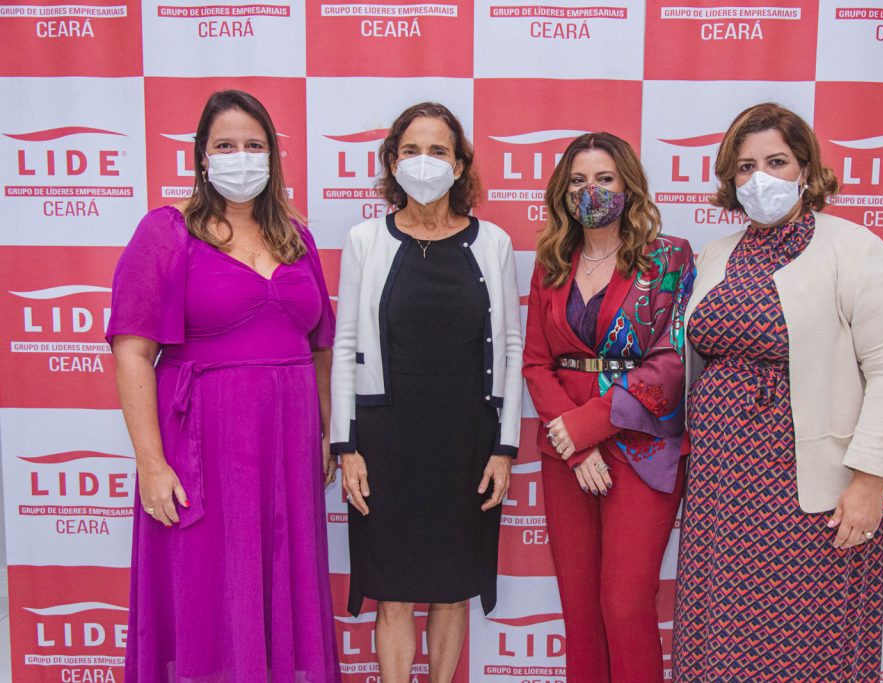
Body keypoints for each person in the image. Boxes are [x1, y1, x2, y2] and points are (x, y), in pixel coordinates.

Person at [672, 102, 883, 682]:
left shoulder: (855, 250)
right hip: (722, 491)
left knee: (810, 641)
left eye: (776, 162)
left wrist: (869, 481)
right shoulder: (718, 254)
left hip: (809, 490)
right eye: (744, 167)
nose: (759, 178)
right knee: (722, 632)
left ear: (806, 169)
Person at [108, 90, 339, 682]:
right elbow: (133, 351)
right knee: (208, 592)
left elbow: (319, 348)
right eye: (227, 145)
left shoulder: (297, 238)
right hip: (202, 445)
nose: (242, 157)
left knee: (278, 582)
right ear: (202, 158)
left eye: (255, 145)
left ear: (273, 158)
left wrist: (322, 431)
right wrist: (151, 463)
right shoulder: (168, 233)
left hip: (287, 446)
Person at [330, 102, 522, 683]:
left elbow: (511, 348)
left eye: (438, 151)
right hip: (385, 439)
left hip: (467, 441)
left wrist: (505, 448)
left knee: (450, 590)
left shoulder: (493, 242)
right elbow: (343, 347)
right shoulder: (365, 240)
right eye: (411, 150)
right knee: (391, 592)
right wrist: (346, 446)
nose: (424, 162)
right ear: (392, 162)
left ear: (460, 164)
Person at [523, 132, 695, 683]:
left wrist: (587, 427)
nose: (590, 190)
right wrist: (573, 447)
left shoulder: (668, 257)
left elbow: (671, 363)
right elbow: (534, 363)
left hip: (641, 449)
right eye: (578, 180)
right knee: (579, 609)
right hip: (568, 454)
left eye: (604, 179)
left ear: (627, 185)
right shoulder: (551, 260)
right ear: (562, 191)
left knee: (624, 604)